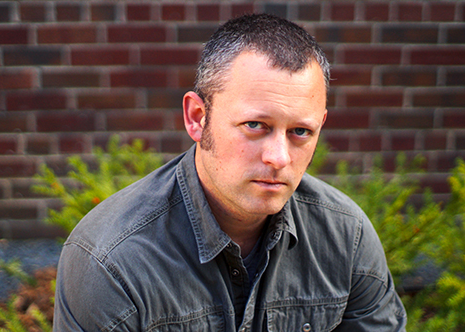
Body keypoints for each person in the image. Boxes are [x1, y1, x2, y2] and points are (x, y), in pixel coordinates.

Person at [54, 13, 407, 331]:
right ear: (197, 117)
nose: (279, 157)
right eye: (255, 125)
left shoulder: (346, 237)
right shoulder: (111, 263)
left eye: (300, 131)